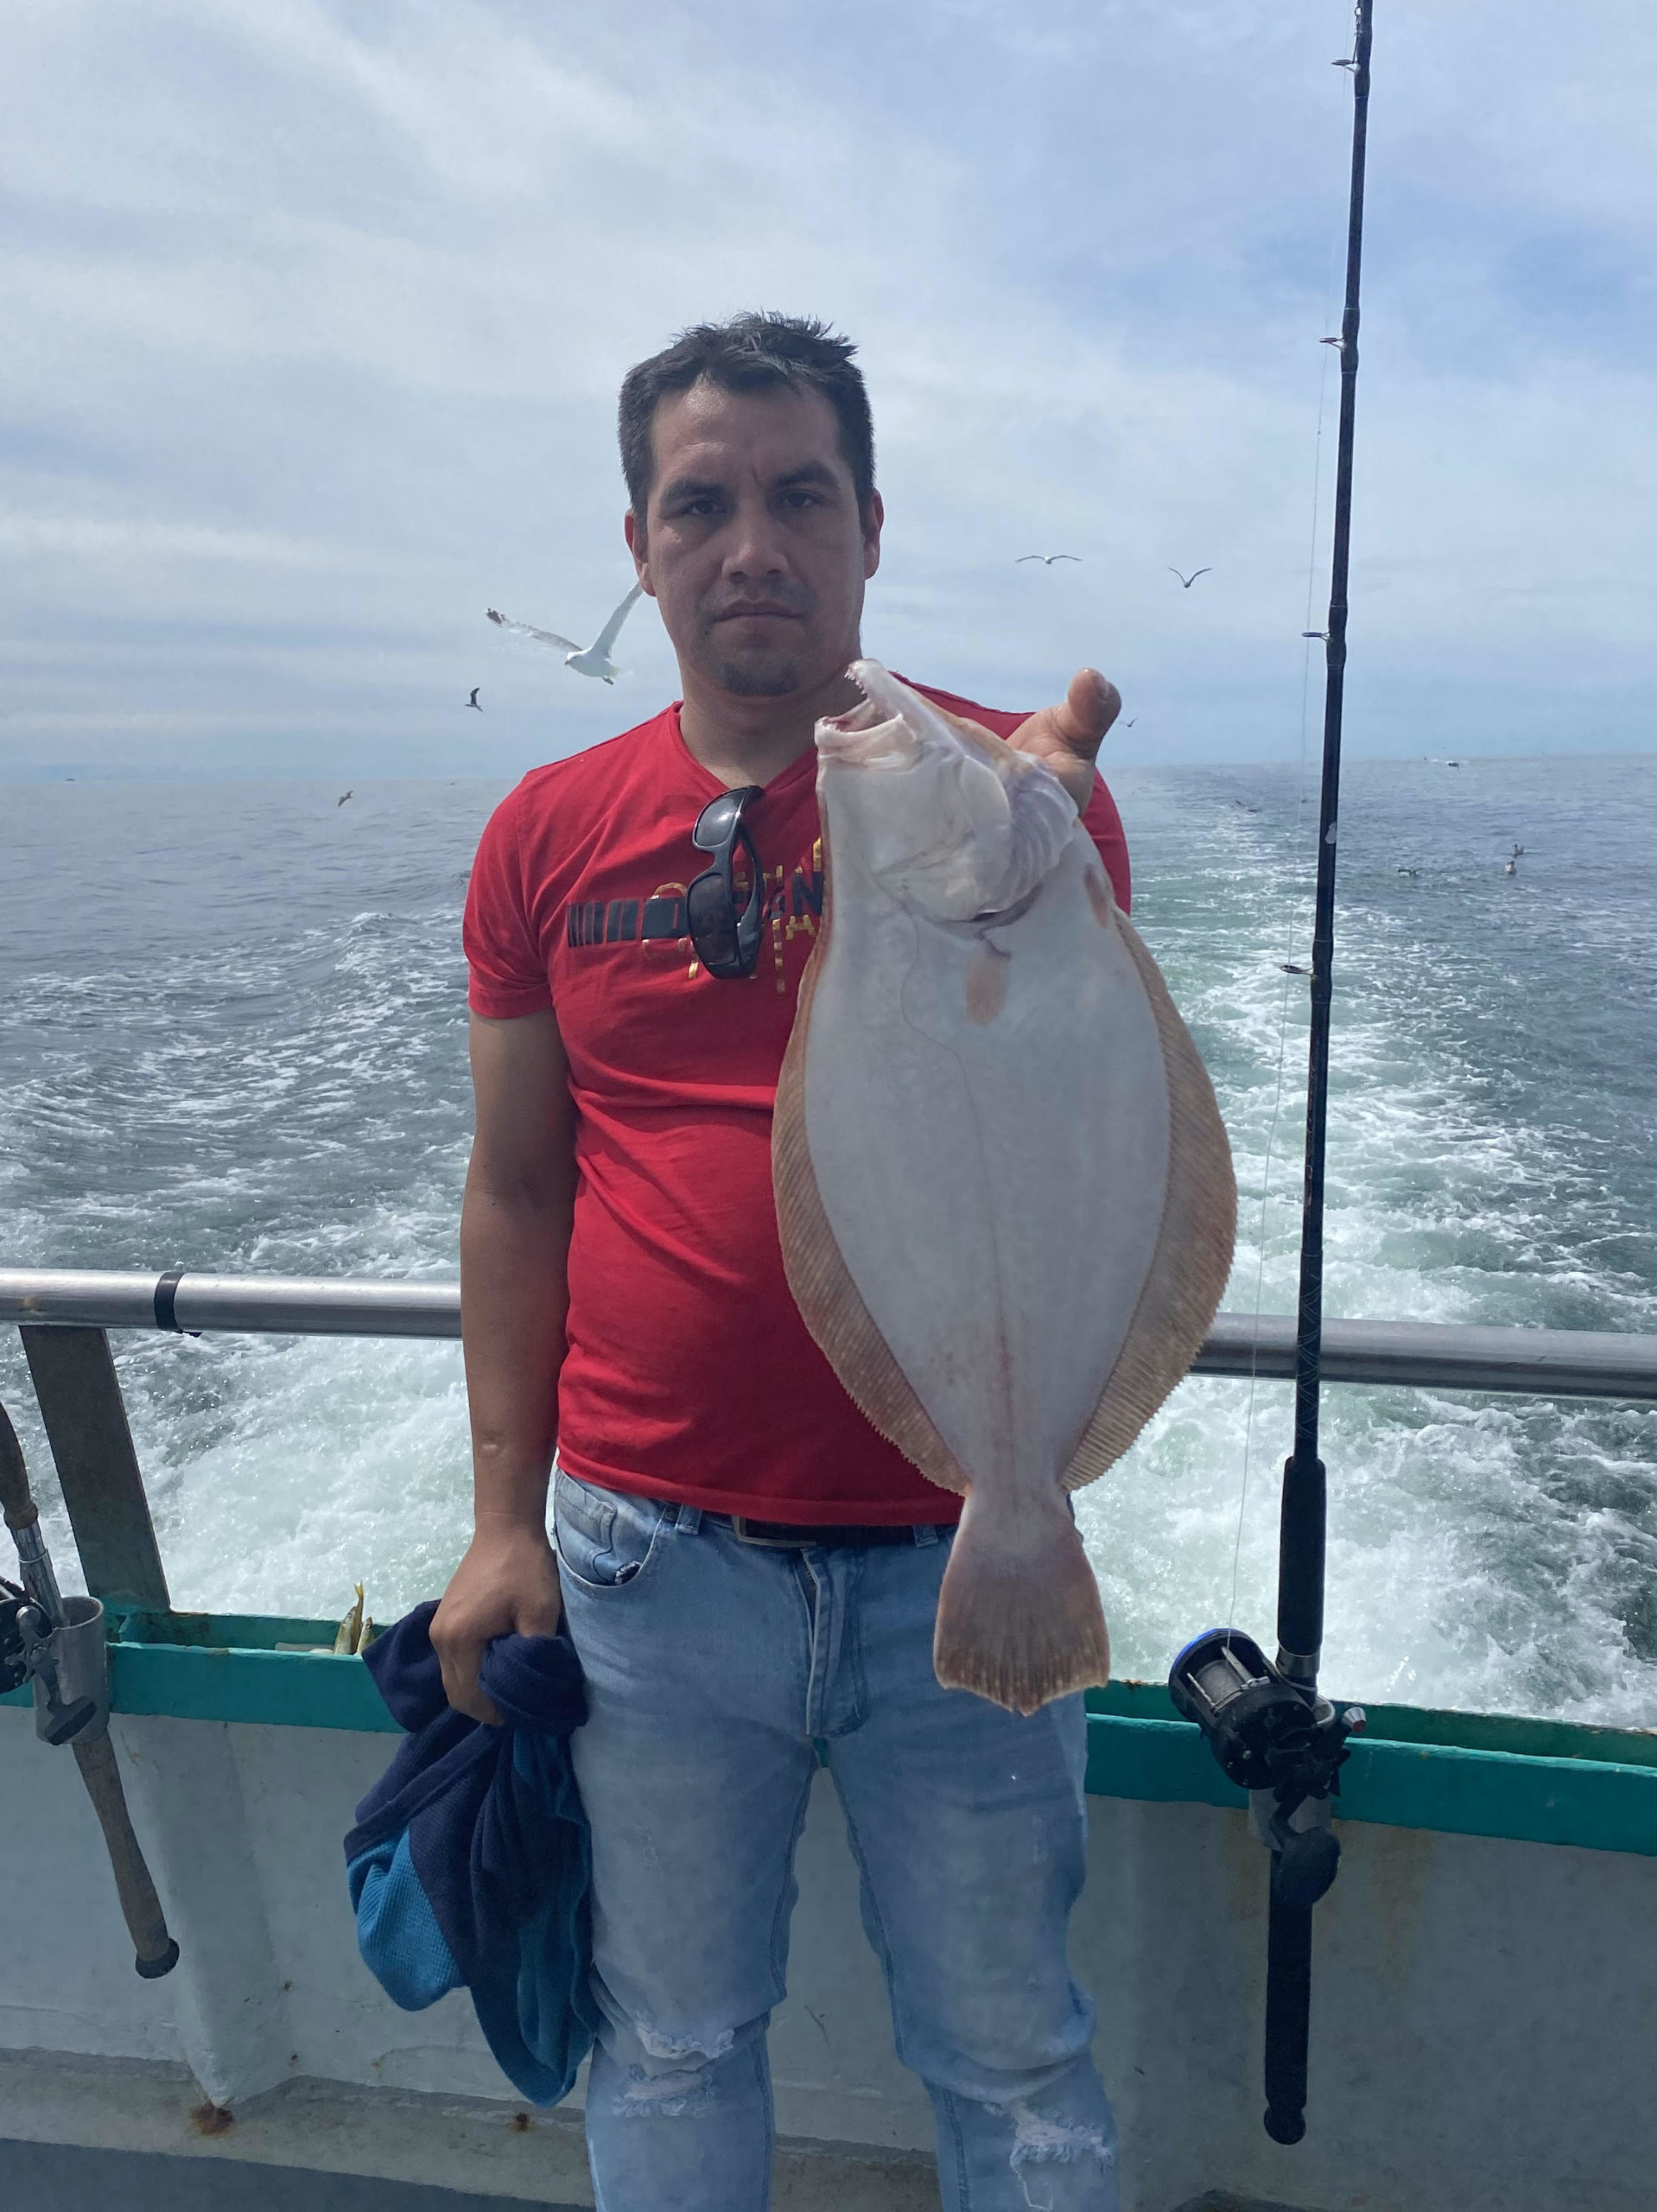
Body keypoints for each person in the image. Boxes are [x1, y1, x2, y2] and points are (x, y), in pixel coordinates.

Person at [432, 311, 1129, 2211]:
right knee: (664, 2033)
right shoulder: (542, 834)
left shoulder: (1004, 799)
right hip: (650, 1564)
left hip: (957, 1546)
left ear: (870, 526)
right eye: (701, 501)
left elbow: (1079, 1116)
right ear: (640, 546)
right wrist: (502, 1523)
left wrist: (1044, 828)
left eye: (799, 494)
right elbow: (515, 1188)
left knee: (1014, 2048)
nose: (753, 541)